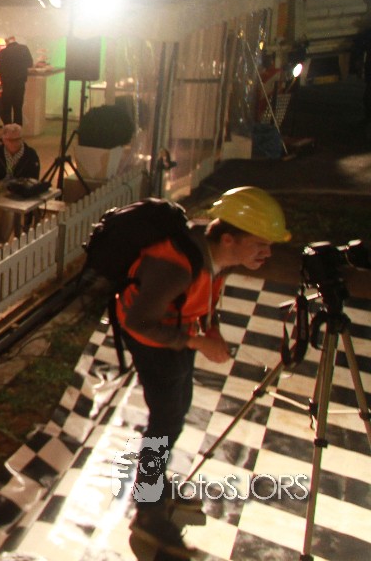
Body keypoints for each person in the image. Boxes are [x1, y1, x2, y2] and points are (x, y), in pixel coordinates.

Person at [116, 187, 290, 557]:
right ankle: (148, 507)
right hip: (152, 340)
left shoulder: (212, 256)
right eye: (260, 244)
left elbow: (204, 297)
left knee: (176, 411)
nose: (267, 253)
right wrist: (195, 342)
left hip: (175, 332)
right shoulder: (177, 266)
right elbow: (138, 322)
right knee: (165, 419)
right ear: (228, 239)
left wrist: (211, 331)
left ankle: (153, 485)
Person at [0, 35, 33, 126]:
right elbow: (30, 63)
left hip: (7, 84)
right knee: (18, 108)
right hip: (20, 82)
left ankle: (8, 128)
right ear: (15, 40)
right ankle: (18, 129)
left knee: (7, 108)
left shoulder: (3, 52)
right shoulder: (24, 48)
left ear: (7, 42)